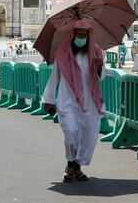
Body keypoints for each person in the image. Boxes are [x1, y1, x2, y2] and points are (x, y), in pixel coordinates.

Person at [43, 20, 105, 183]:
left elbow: (102, 77)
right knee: (71, 133)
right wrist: (48, 99)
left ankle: (75, 168)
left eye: (84, 35)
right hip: (67, 100)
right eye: (78, 34)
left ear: (89, 36)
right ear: (73, 34)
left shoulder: (97, 51)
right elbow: (54, 76)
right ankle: (71, 164)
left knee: (84, 135)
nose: (81, 38)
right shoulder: (62, 52)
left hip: (89, 101)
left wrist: (99, 67)